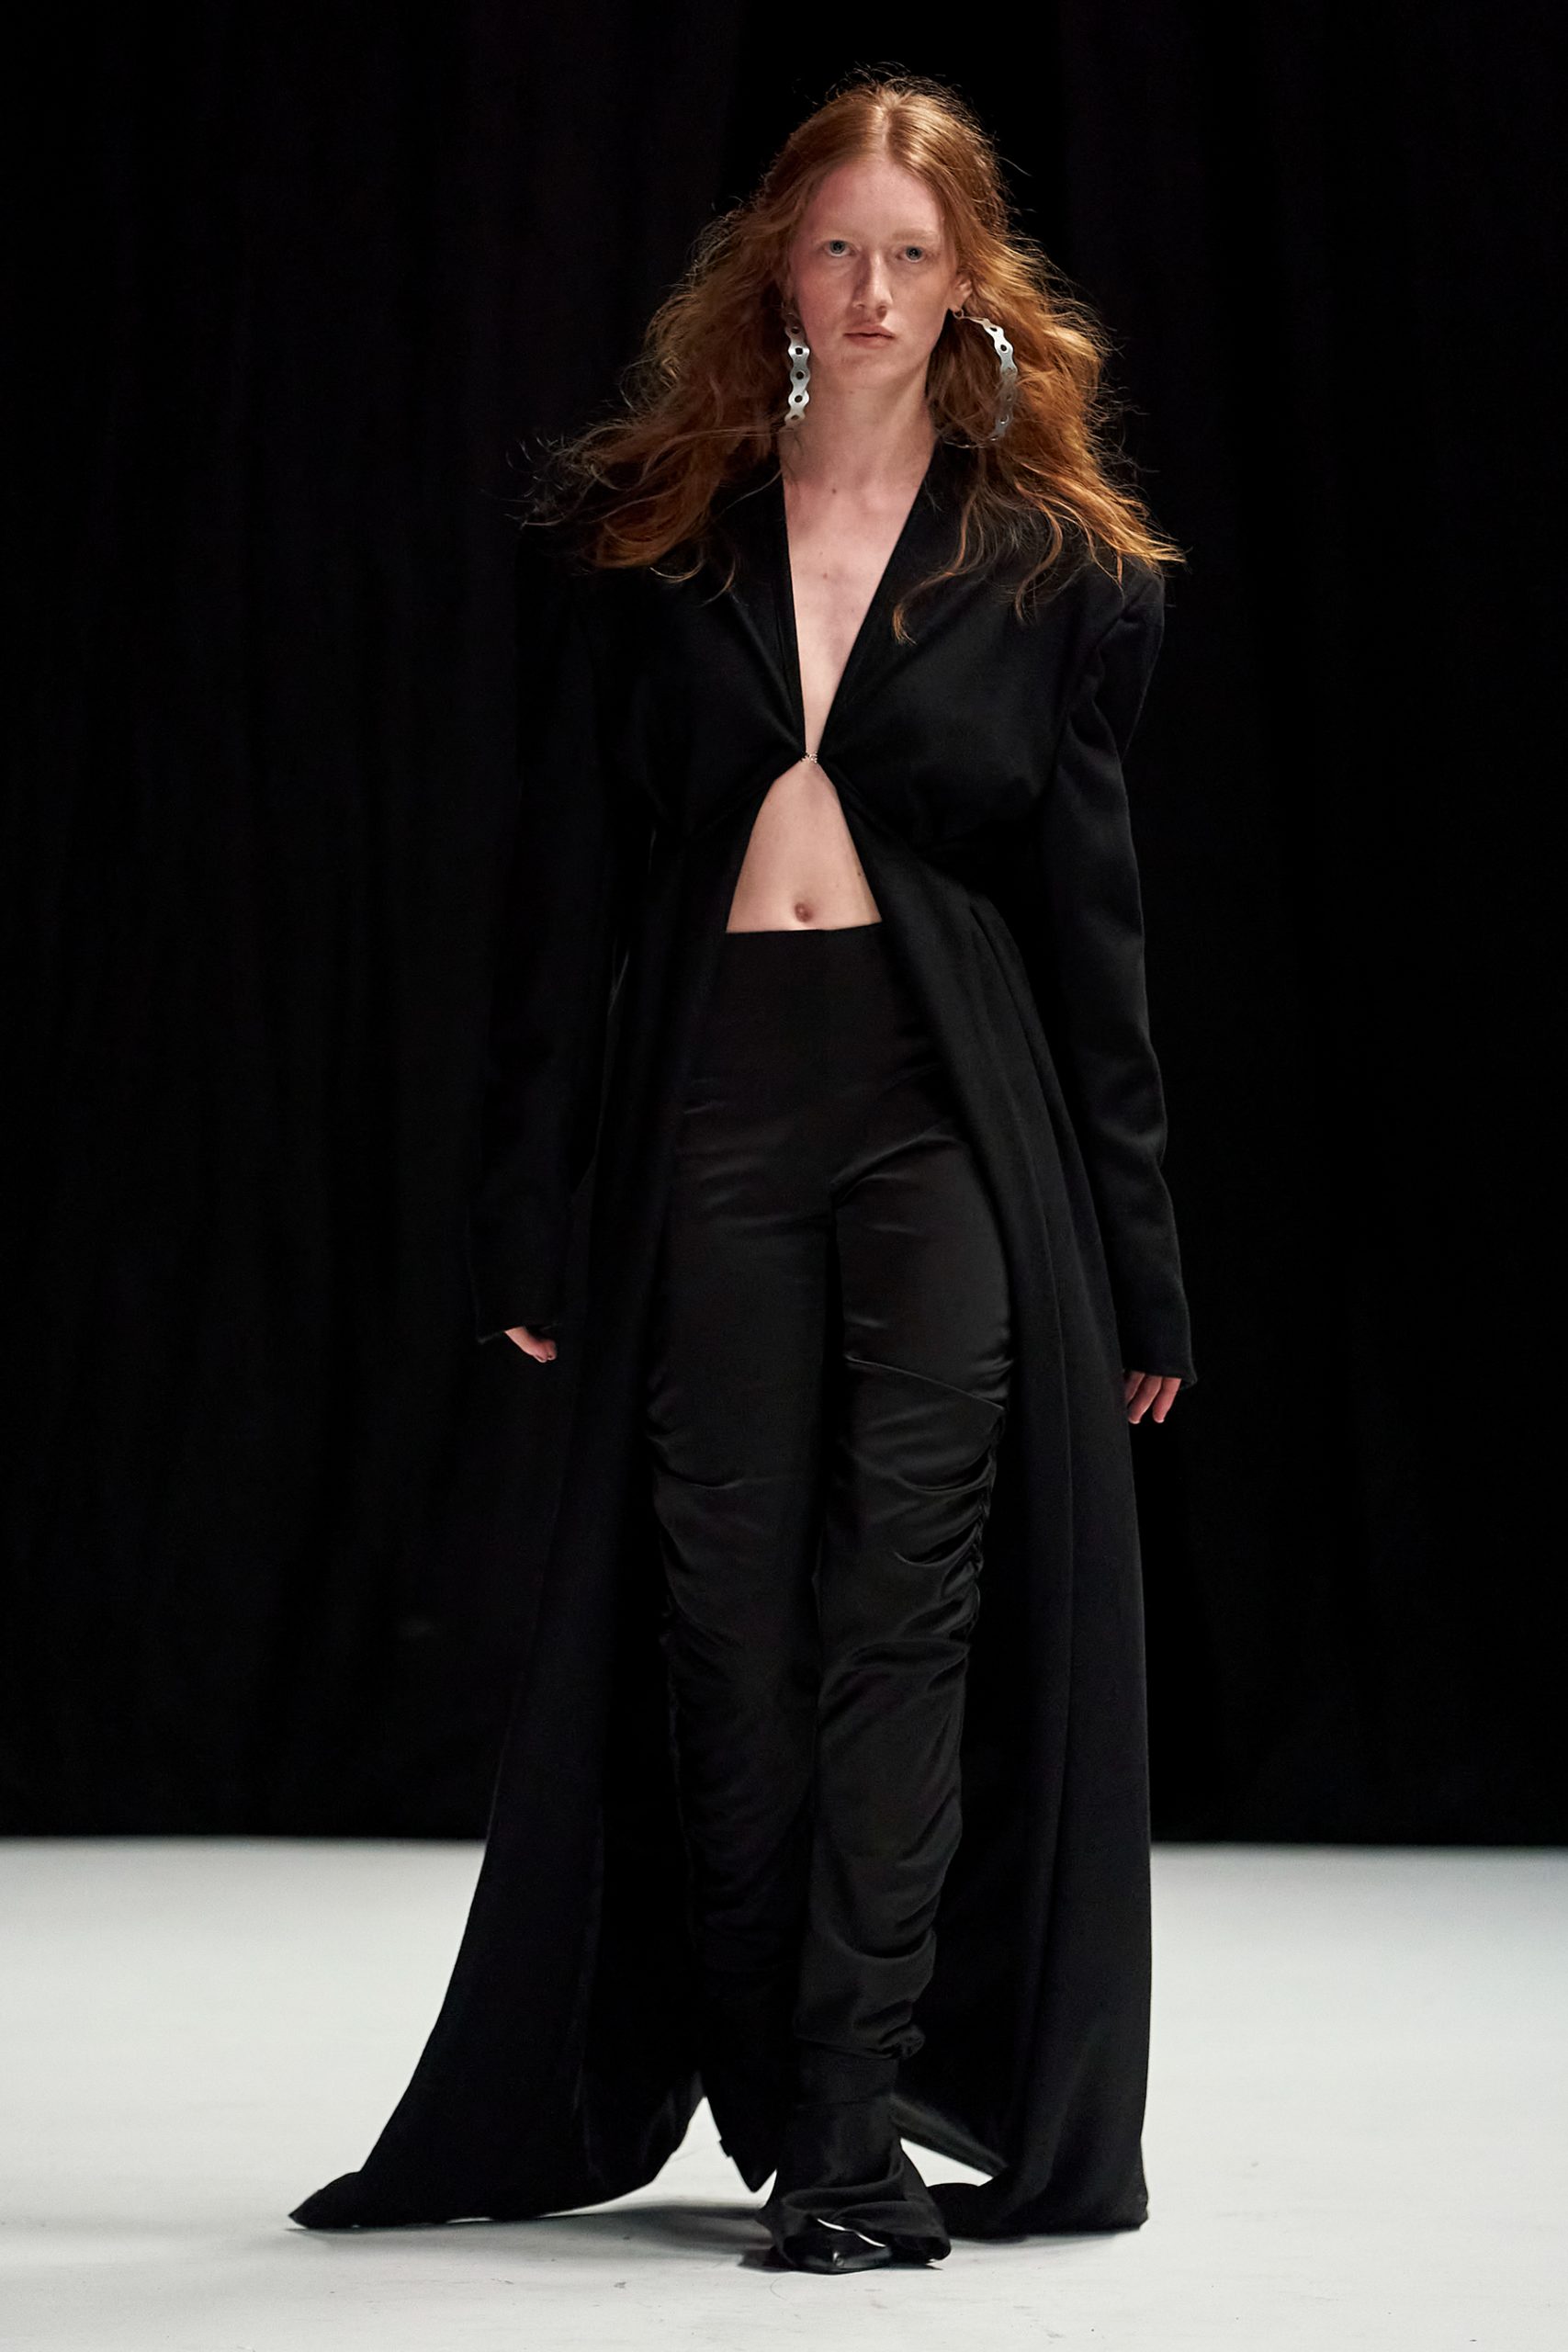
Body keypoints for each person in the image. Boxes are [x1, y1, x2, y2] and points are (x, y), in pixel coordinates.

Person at [289, 70, 1197, 2276]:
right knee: (723, 1614)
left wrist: (1137, 1262)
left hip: (941, 1110)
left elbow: (1092, 941)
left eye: (910, 253)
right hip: (707, 1105)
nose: (870, 289)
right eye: (834, 248)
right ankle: (787, 2083)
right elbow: (558, 908)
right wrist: (526, 1204)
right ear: (772, 272)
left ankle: (851, 2130)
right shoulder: (660, 545)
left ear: (968, 284)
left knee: (906, 1602)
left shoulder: (1045, 566)